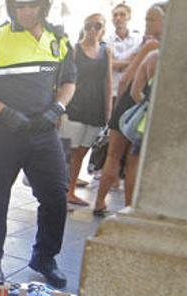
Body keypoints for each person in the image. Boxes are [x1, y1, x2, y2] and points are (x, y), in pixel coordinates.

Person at [0, 0, 76, 288]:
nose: (25, 11)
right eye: (19, 6)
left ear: (44, 6)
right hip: (4, 132)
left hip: (43, 131)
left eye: (32, 5)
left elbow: (69, 82)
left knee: (55, 196)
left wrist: (58, 108)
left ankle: (44, 257)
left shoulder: (59, 39)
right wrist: (5, 112)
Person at [92, 2, 167, 217]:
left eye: (152, 19)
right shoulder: (159, 47)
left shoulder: (151, 46)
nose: (147, 23)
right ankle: (126, 207)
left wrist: (117, 110)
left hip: (130, 105)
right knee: (128, 160)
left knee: (115, 156)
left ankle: (100, 203)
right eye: (146, 19)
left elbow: (126, 79)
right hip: (142, 108)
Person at [60, 13, 112, 207]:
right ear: (83, 27)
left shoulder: (106, 51)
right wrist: (60, 107)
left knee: (81, 152)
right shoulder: (74, 50)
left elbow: (108, 81)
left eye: (97, 26)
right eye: (89, 25)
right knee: (68, 152)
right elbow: (64, 79)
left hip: (95, 108)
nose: (92, 30)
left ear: (103, 29)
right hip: (74, 107)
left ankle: (70, 191)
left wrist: (108, 111)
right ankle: (62, 192)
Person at [106, 3, 143, 103]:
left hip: (132, 92)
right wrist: (133, 62)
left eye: (122, 14)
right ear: (112, 19)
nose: (118, 18)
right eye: (115, 15)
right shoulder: (106, 41)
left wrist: (115, 63)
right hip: (112, 93)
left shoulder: (139, 40)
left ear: (129, 17)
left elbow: (141, 62)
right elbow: (107, 64)